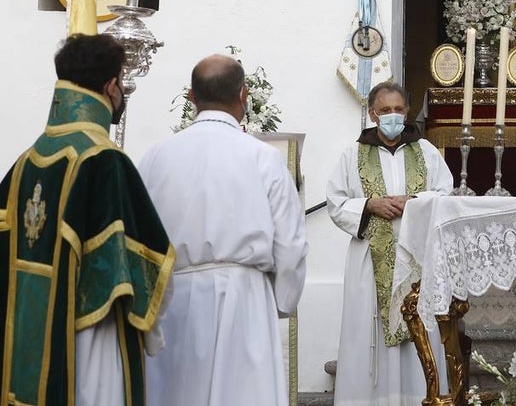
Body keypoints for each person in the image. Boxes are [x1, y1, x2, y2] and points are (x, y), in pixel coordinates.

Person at [0, 34, 174, 406]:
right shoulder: (104, 160)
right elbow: (145, 259)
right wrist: (154, 329)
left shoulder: (24, 163)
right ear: (111, 86)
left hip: (28, 341)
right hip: (92, 339)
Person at [139, 54, 308, 405]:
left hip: (173, 299)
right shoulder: (263, 157)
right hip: (243, 299)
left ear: (191, 96)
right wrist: (280, 303)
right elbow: (290, 242)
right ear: (243, 95)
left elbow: (139, 237)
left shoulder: (155, 157)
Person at [327, 83, 454, 406]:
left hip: (416, 260)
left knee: (419, 328)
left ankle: (419, 397)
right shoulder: (353, 154)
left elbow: (446, 194)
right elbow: (336, 203)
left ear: (407, 112)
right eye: (385, 110)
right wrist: (369, 205)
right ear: (373, 114)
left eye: (398, 109)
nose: (393, 116)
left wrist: (415, 201)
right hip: (370, 264)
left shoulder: (425, 151)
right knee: (367, 331)